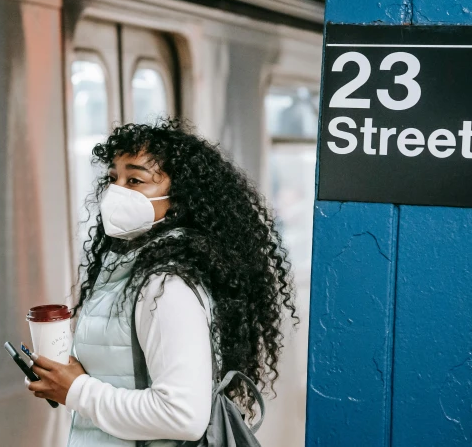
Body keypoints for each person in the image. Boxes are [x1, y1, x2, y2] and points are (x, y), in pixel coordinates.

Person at [26, 119, 297, 446]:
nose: (117, 191)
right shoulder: (129, 268)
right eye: (114, 178)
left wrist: (78, 390)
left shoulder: (165, 285)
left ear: (180, 196)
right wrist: (68, 379)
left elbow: (183, 415)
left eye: (136, 180)